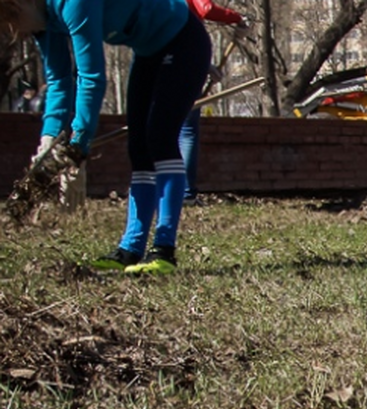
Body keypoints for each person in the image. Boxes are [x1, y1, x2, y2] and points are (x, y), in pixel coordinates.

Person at [0, 0, 211, 274]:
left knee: (159, 138)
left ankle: (164, 251)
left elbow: (91, 77)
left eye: (14, 25)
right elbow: (58, 81)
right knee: (139, 148)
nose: (20, 34)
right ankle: (130, 248)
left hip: (184, 41)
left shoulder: (72, 4)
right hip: (148, 52)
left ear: (19, 6)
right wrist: (48, 140)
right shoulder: (44, 23)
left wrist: (78, 146)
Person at [180, 0, 250, 205]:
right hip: (187, 58)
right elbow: (206, 8)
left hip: (159, 57)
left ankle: (161, 191)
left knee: (165, 127)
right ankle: (185, 194)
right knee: (187, 129)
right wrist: (237, 18)